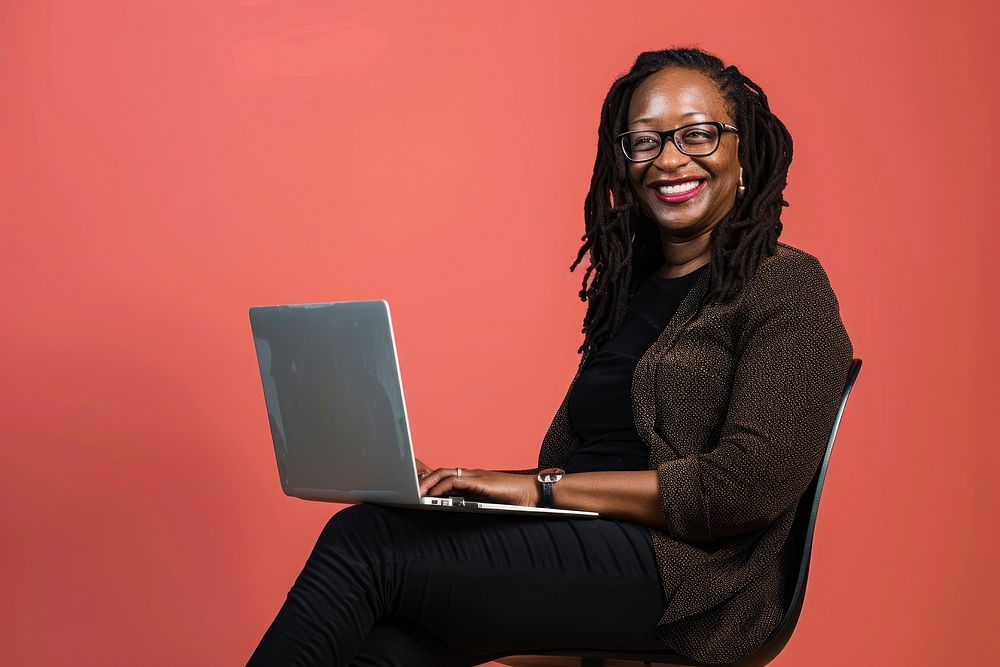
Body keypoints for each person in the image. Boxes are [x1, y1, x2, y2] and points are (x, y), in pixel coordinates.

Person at [247, 46, 853, 667]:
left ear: (742, 149)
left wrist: (538, 490)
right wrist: (469, 493)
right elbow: (581, 462)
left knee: (366, 543)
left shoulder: (786, 284)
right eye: (644, 142)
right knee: (394, 645)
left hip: (690, 579)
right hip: (589, 546)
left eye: (698, 134)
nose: (670, 160)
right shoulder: (631, 296)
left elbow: (744, 487)